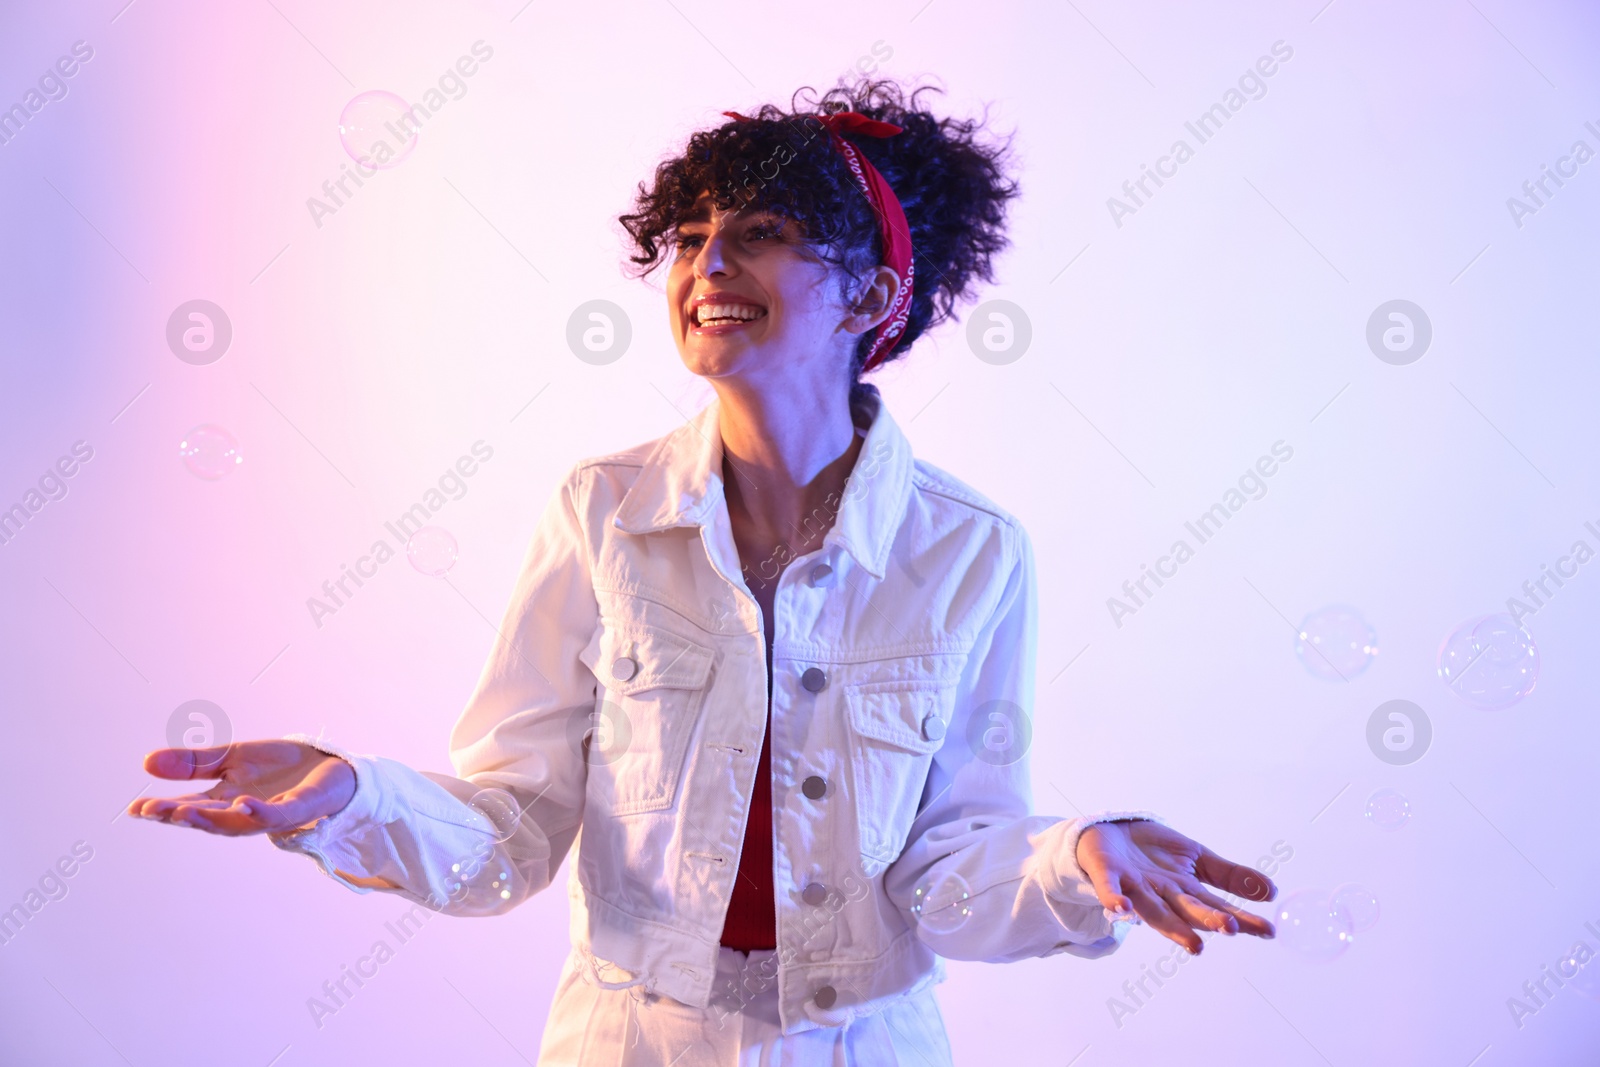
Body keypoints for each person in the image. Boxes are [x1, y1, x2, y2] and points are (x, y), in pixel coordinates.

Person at [129, 78, 1277, 1065]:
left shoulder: (972, 549)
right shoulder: (602, 511)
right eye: (686, 235)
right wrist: (349, 793)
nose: (708, 261)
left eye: (763, 229)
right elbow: (511, 834)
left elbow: (950, 869)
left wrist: (1075, 858)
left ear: (874, 295)